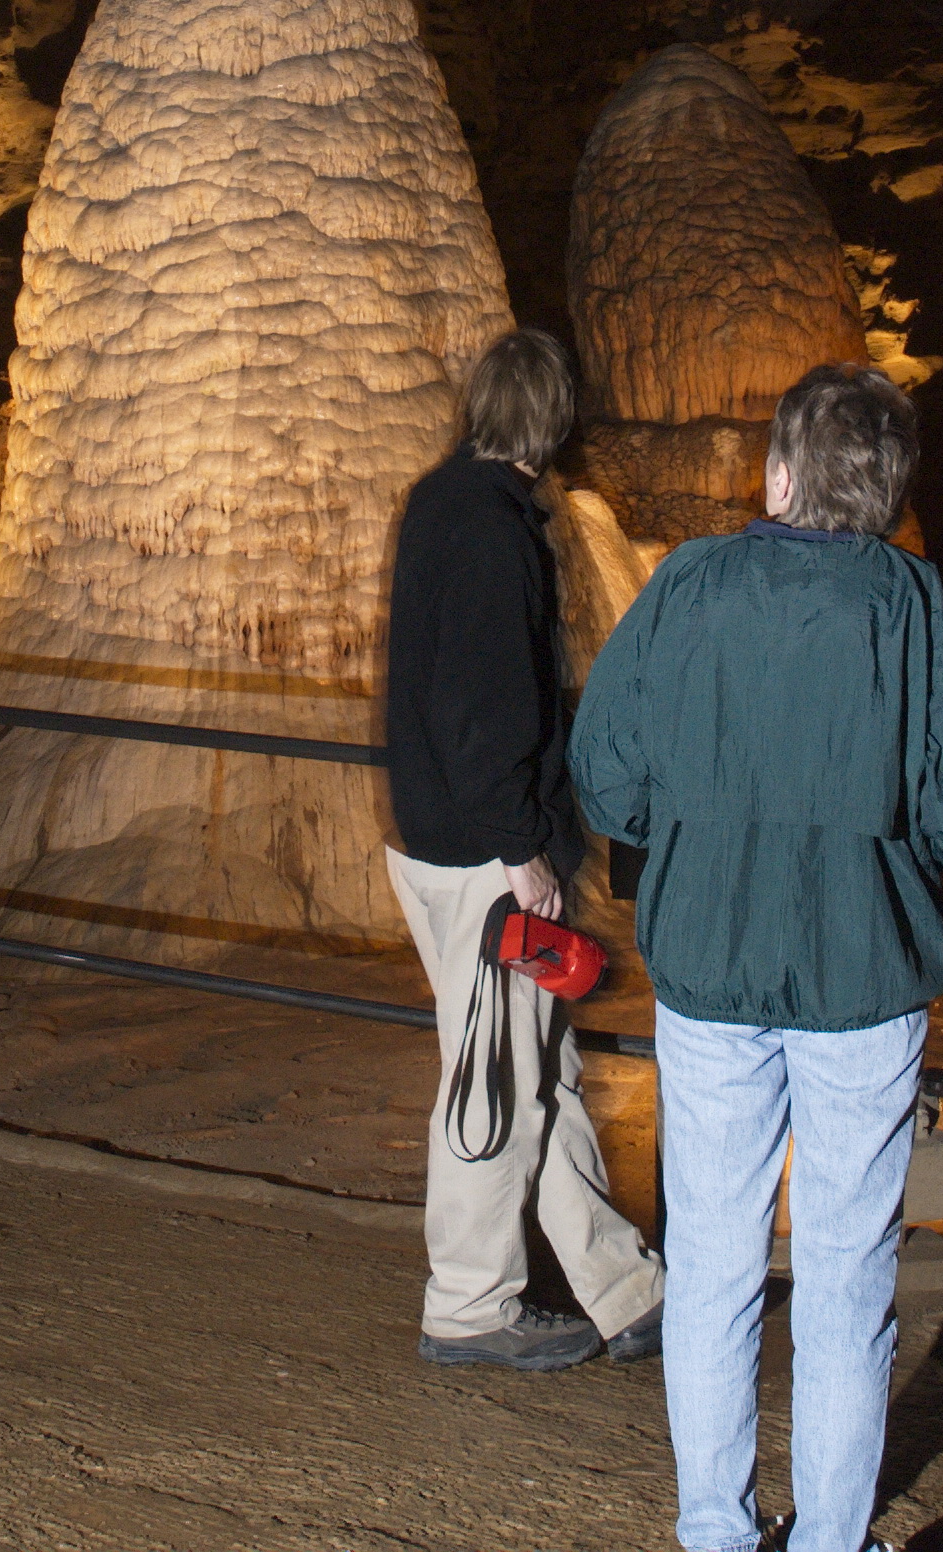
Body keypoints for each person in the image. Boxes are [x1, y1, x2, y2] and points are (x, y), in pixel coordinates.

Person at [573, 363, 943, 1552]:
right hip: (860, 976)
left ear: (779, 474)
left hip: (712, 970)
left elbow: (607, 774)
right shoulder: (918, 607)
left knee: (715, 1264)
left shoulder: (687, 585)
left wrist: (686, 819)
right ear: (883, 492)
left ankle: (717, 1535)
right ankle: (832, 1541)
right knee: (843, 1280)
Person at [380, 327, 664, 1371]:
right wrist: (518, 849)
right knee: (491, 1079)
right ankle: (467, 1302)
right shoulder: (496, 533)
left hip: (445, 834)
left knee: (535, 1068)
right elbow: (484, 703)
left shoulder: (441, 506)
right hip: (480, 855)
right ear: (550, 424)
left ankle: (622, 1287)